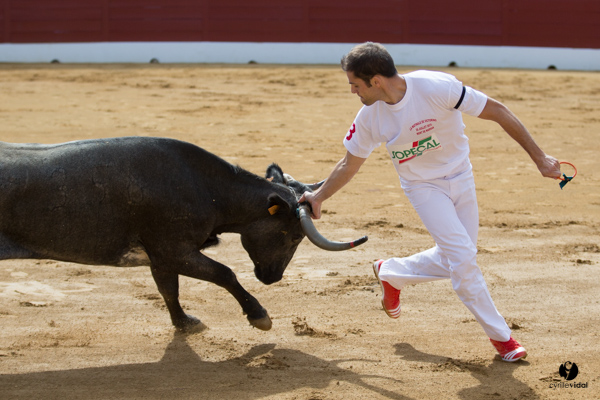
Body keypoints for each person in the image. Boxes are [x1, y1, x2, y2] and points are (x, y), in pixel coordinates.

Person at [299, 42, 562, 362]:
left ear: (376, 81)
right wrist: (318, 196)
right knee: (463, 258)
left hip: (462, 176)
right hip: (422, 187)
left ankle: (391, 272)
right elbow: (348, 163)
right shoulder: (370, 116)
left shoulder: (435, 87)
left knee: (457, 256)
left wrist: (539, 158)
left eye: (355, 84)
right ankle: (502, 338)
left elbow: (498, 111)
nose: (353, 91)